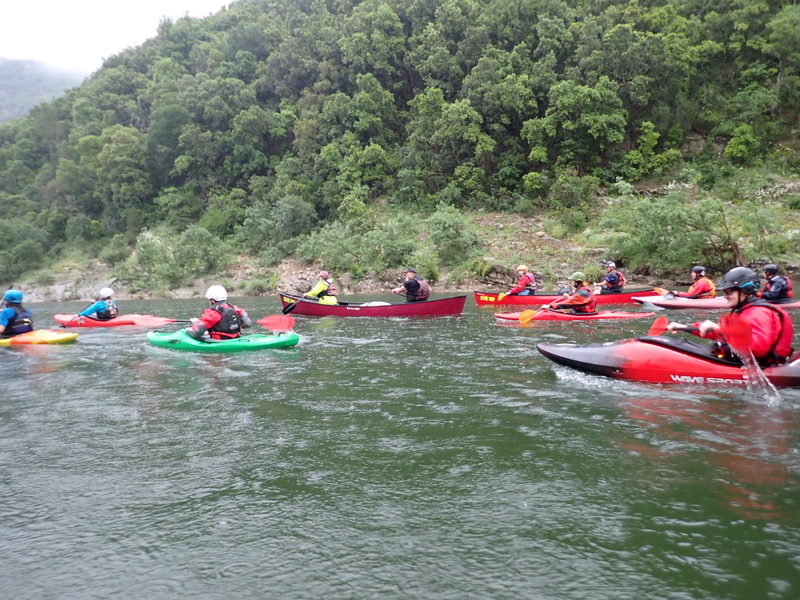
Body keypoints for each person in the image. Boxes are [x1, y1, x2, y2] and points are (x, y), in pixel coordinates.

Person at [667, 267, 794, 366]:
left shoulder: (758, 312)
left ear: (746, 291)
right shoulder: (744, 310)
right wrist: (682, 327)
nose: (725, 296)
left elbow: (757, 349)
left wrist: (719, 328)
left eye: (729, 291)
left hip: (764, 365)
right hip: (747, 361)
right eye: (725, 292)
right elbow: (723, 333)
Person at [187, 285, 252, 341]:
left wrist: (196, 324)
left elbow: (197, 332)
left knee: (187, 331)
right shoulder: (235, 308)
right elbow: (247, 323)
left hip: (220, 341)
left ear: (212, 300)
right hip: (236, 338)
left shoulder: (213, 312)